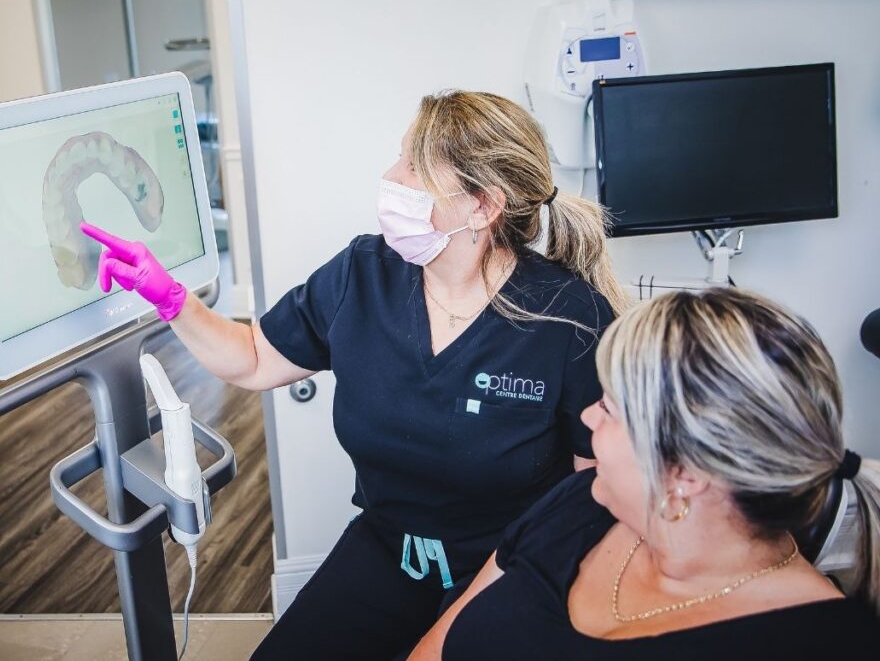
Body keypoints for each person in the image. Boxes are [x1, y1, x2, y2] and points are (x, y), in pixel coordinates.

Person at [81, 90, 629, 659]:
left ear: (483, 207)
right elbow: (252, 356)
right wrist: (171, 298)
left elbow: (594, 487)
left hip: (507, 561)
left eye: (414, 165)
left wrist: (466, 617)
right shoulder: (362, 274)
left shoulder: (568, 317)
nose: (391, 177)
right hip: (388, 548)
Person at [409, 288, 880, 660]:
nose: (589, 417)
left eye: (609, 408)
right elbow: (438, 645)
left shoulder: (821, 643)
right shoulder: (580, 501)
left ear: (685, 472)